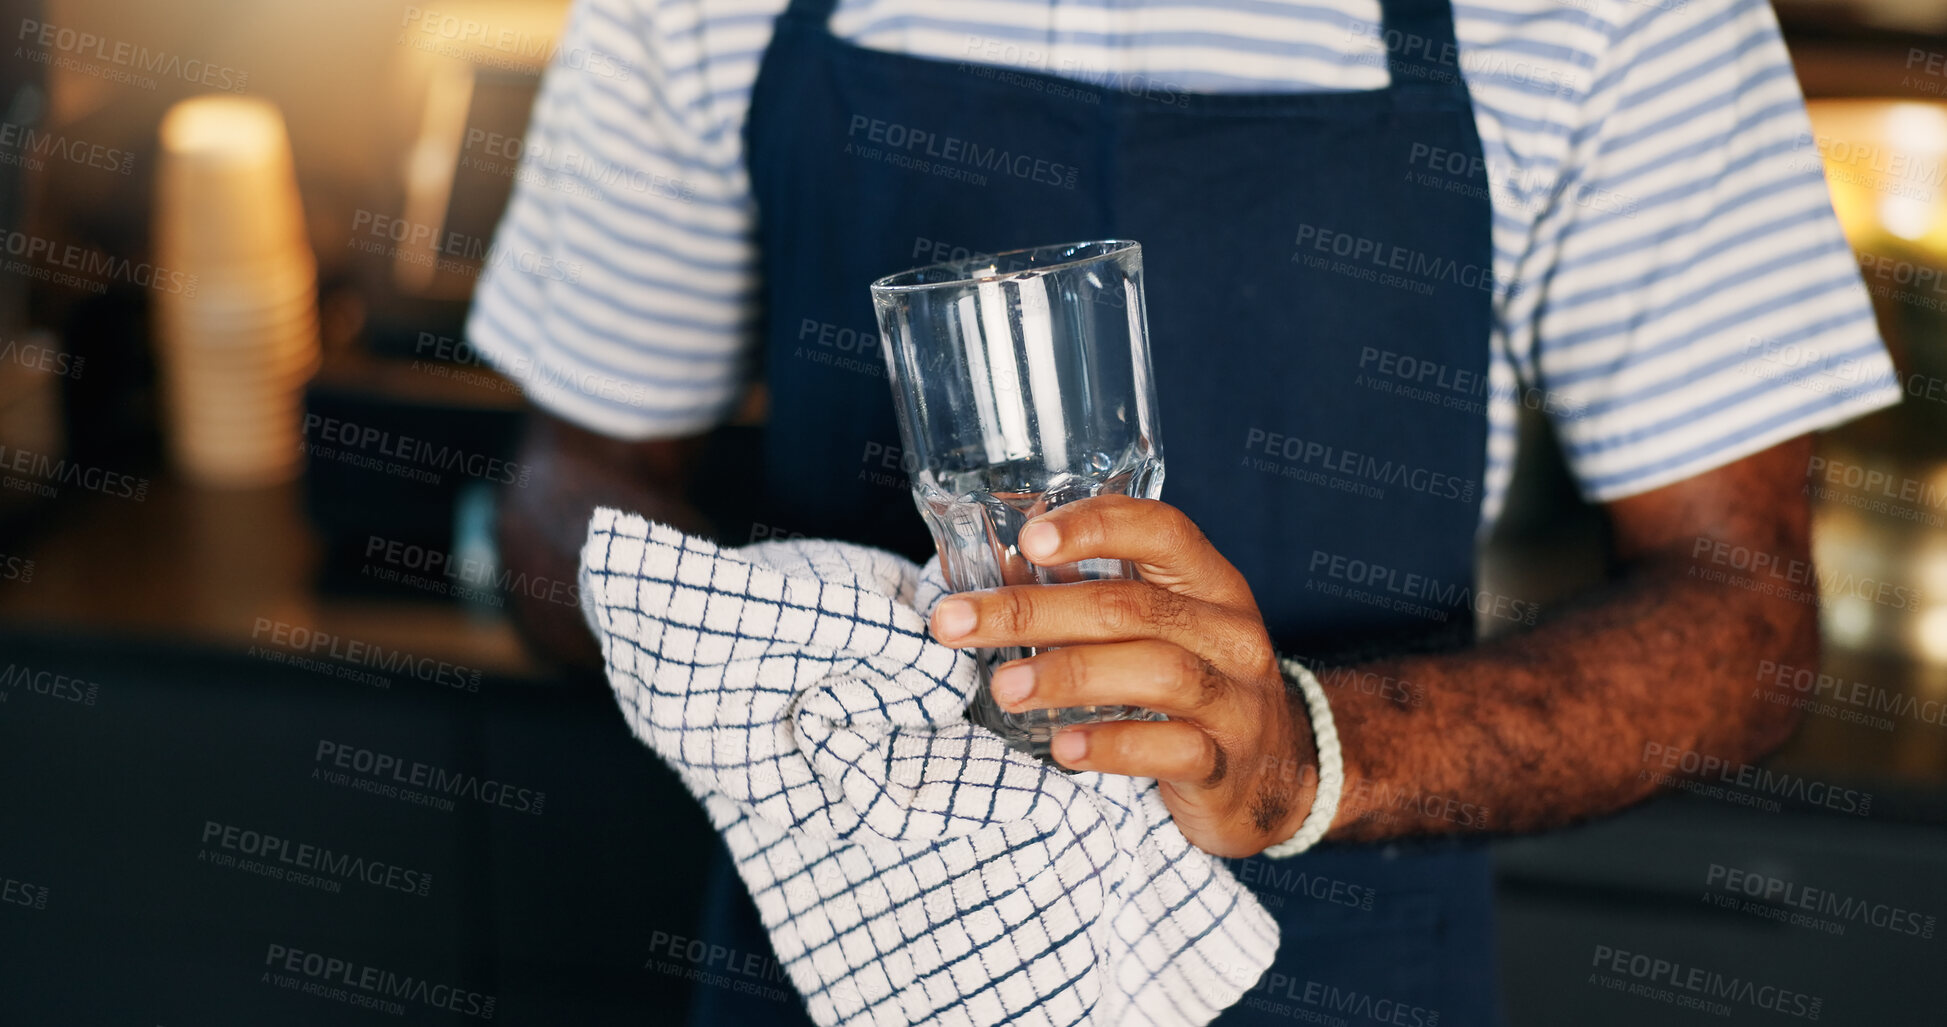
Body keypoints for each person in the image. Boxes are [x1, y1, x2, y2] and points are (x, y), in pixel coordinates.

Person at [467, 0, 1902, 1022]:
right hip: (833, 960)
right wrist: (801, 650)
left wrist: (1303, 755)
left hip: (1345, 965)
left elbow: (1744, 611)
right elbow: (560, 499)